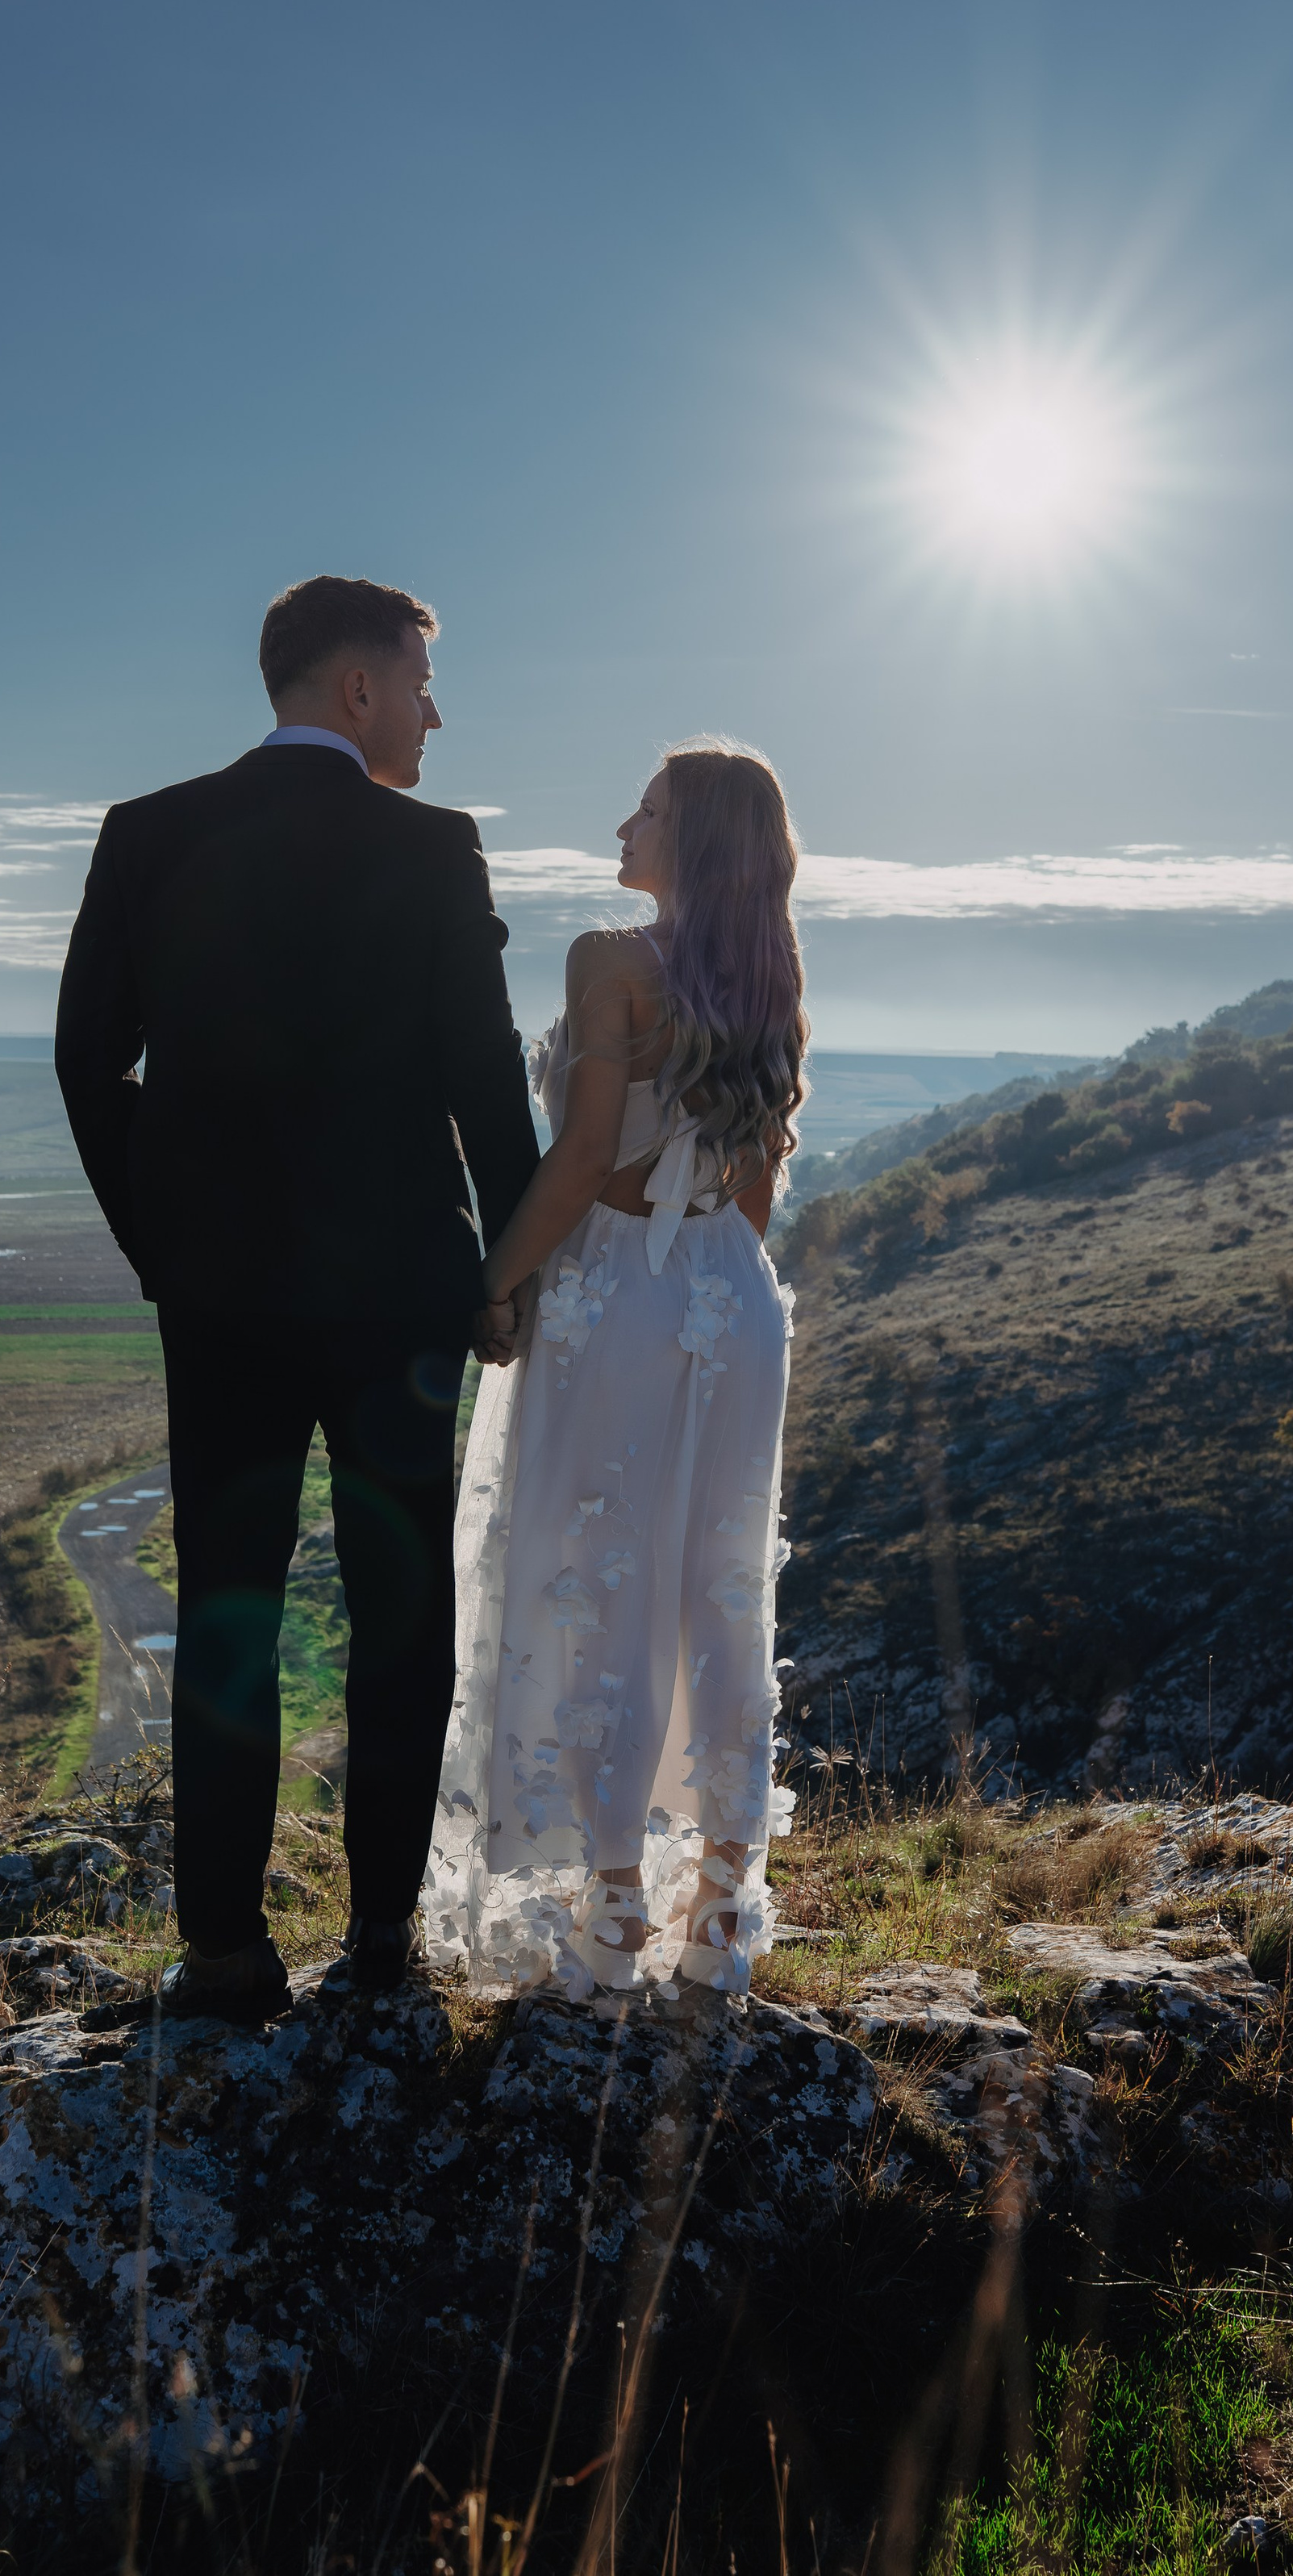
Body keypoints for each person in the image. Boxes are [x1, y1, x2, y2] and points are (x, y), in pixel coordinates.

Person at [55, 575, 540, 2018]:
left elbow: (91, 1067)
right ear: (357, 691)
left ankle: (223, 1953)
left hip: (222, 1304)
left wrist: (166, 1247)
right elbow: (482, 1080)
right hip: (399, 1300)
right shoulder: (437, 849)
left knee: (226, 1610)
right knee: (400, 1615)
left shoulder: (148, 836)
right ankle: (381, 1945)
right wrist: (508, 1268)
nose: (436, 714)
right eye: (423, 683)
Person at [422, 742, 806, 1999]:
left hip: (618, 1294)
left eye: (646, 810)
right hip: (731, 1298)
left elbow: (585, 1155)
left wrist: (496, 1282)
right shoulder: (769, 976)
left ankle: (613, 1906)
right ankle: (721, 1915)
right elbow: (753, 1193)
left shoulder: (607, 962)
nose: (622, 825)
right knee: (717, 1581)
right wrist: (702, 1287)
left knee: (595, 1577)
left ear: (688, 841)